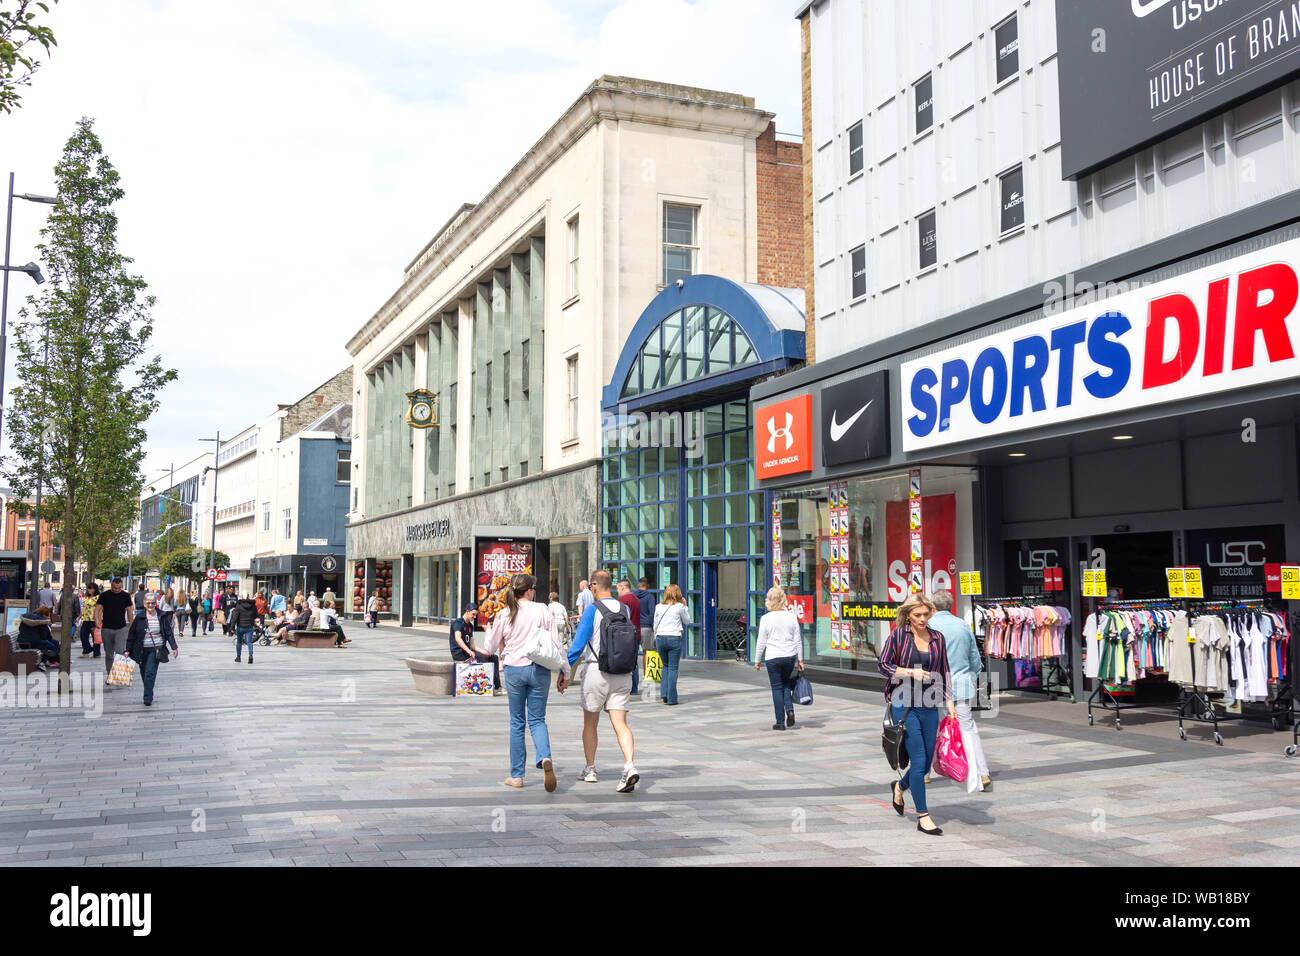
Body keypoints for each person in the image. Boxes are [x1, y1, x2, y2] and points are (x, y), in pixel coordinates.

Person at [879, 594, 958, 837]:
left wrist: (950, 702)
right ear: (908, 615)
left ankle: (899, 788)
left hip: (930, 703)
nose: (923, 619)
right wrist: (908, 673)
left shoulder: (937, 638)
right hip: (904, 704)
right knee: (920, 757)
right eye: (917, 615)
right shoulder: (898, 636)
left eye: (926, 614)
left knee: (923, 767)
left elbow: (943, 669)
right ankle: (923, 816)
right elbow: (883, 665)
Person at [482, 573, 569, 791]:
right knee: (538, 719)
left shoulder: (504, 613)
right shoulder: (542, 609)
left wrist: (491, 631)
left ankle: (517, 776)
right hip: (539, 669)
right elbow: (556, 644)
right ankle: (544, 757)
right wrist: (565, 671)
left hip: (514, 670)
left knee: (517, 722)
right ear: (529, 590)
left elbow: (490, 648)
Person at [563, 570, 639, 793]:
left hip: (597, 672)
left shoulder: (591, 611)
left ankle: (590, 768)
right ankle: (629, 765)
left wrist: (564, 671)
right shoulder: (624, 608)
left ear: (594, 586)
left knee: (590, 723)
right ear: (612, 586)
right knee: (621, 724)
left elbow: (577, 646)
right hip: (622, 672)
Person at [929, 589, 991, 791]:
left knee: (931, 727)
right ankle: (982, 773)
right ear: (951, 605)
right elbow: (975, 657)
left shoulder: (929, 626)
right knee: (968, 728)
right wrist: (973, 674)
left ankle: (925, 773)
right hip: (961, 684)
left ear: (933, 607)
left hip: (934, 683)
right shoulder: (963, 625)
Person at [754, 586, 804, 730]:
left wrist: (757, 660)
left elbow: (761, 642)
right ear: (783, 600)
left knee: (776, 687)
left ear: (769, 601)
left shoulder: (765, 619)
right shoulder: (791, 616)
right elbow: (798, 640)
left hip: (773, 657)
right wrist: (800, 660)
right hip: (789, 656)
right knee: (786, 683)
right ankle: (790, 709)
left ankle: (780, 722)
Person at [124, 592, 179, 707]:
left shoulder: (161, 615)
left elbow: (168, 633)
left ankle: (147, 697)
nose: (150, 605)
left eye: (153, 603)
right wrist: (127, 650)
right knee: (144, 672)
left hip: (156, 649)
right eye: (148, 603)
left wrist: (174, 647)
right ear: (144, 604)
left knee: (150, 673)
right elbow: (132, 634)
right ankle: (148, 690)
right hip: (141, 649)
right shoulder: (139, 617)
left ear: (156, 604)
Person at [652, 584, 691, 705]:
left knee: (665, 666)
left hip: (660, 637)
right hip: (674, 637)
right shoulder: (679, 607)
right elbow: (687, 621)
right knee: (673, 668)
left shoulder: (658, 606)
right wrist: (685, 607)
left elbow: (655, 624)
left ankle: (664, 693)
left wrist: (656, 637)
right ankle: (672, 698)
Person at [449, 603, 499, 689]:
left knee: (493, 657)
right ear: (467, 612)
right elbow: (458, 639)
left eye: (476, 615)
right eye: (473, 614)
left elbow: (472, 645)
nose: (475, 617)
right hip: (459, 653)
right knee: (485, 659)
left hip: (467, 653)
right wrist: (468, 651)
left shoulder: (470, 626)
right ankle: (487, 686)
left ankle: (498, 686)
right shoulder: (458, 623)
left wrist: (485, 652)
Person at [97, 577, 134, 687]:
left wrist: (131, 623)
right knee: (109, 654)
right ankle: (109, 675)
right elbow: (98, 608)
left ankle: (118, 676)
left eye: (119, 588)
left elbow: (129, 610)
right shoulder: (104, 595)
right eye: (115, 587)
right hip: (107, 628)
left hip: (121, 628)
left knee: (120, 652)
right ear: (111, 585)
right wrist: (97, 620)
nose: (117, 589)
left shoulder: (126, 596)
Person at [615, 579, 643, 695]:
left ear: (622, 587)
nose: (617, 592)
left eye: (617, 589)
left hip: (625, 635)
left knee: (624, 661)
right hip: (637, 633)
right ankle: (634, 688)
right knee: (634, 661)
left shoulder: (622, 600)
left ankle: (626, 687)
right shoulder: (636, 599)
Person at [231, 591, 259, 663]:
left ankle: (238, 657)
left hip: (240, 626)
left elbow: (235, 616)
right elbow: (255, 615)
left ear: (242, 596)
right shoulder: (253, 605)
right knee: (249, 642)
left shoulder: (239, 605)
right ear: (248, 596)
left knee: (239, 642)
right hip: (249, 626)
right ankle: (250, 655)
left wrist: (232, 627)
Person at [78, 583, 101, 659]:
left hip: (94, 620)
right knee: (83, 635)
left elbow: (100, 609)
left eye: (91, 588)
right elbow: (84, 608)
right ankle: (87, 650)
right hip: (86, 619)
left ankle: (96, 653)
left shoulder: (98, 597)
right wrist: (79, 617)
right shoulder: (87, 597)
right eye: (88, 588)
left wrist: (99, 619)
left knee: (95, 637)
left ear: (95, 589)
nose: (89, 590)